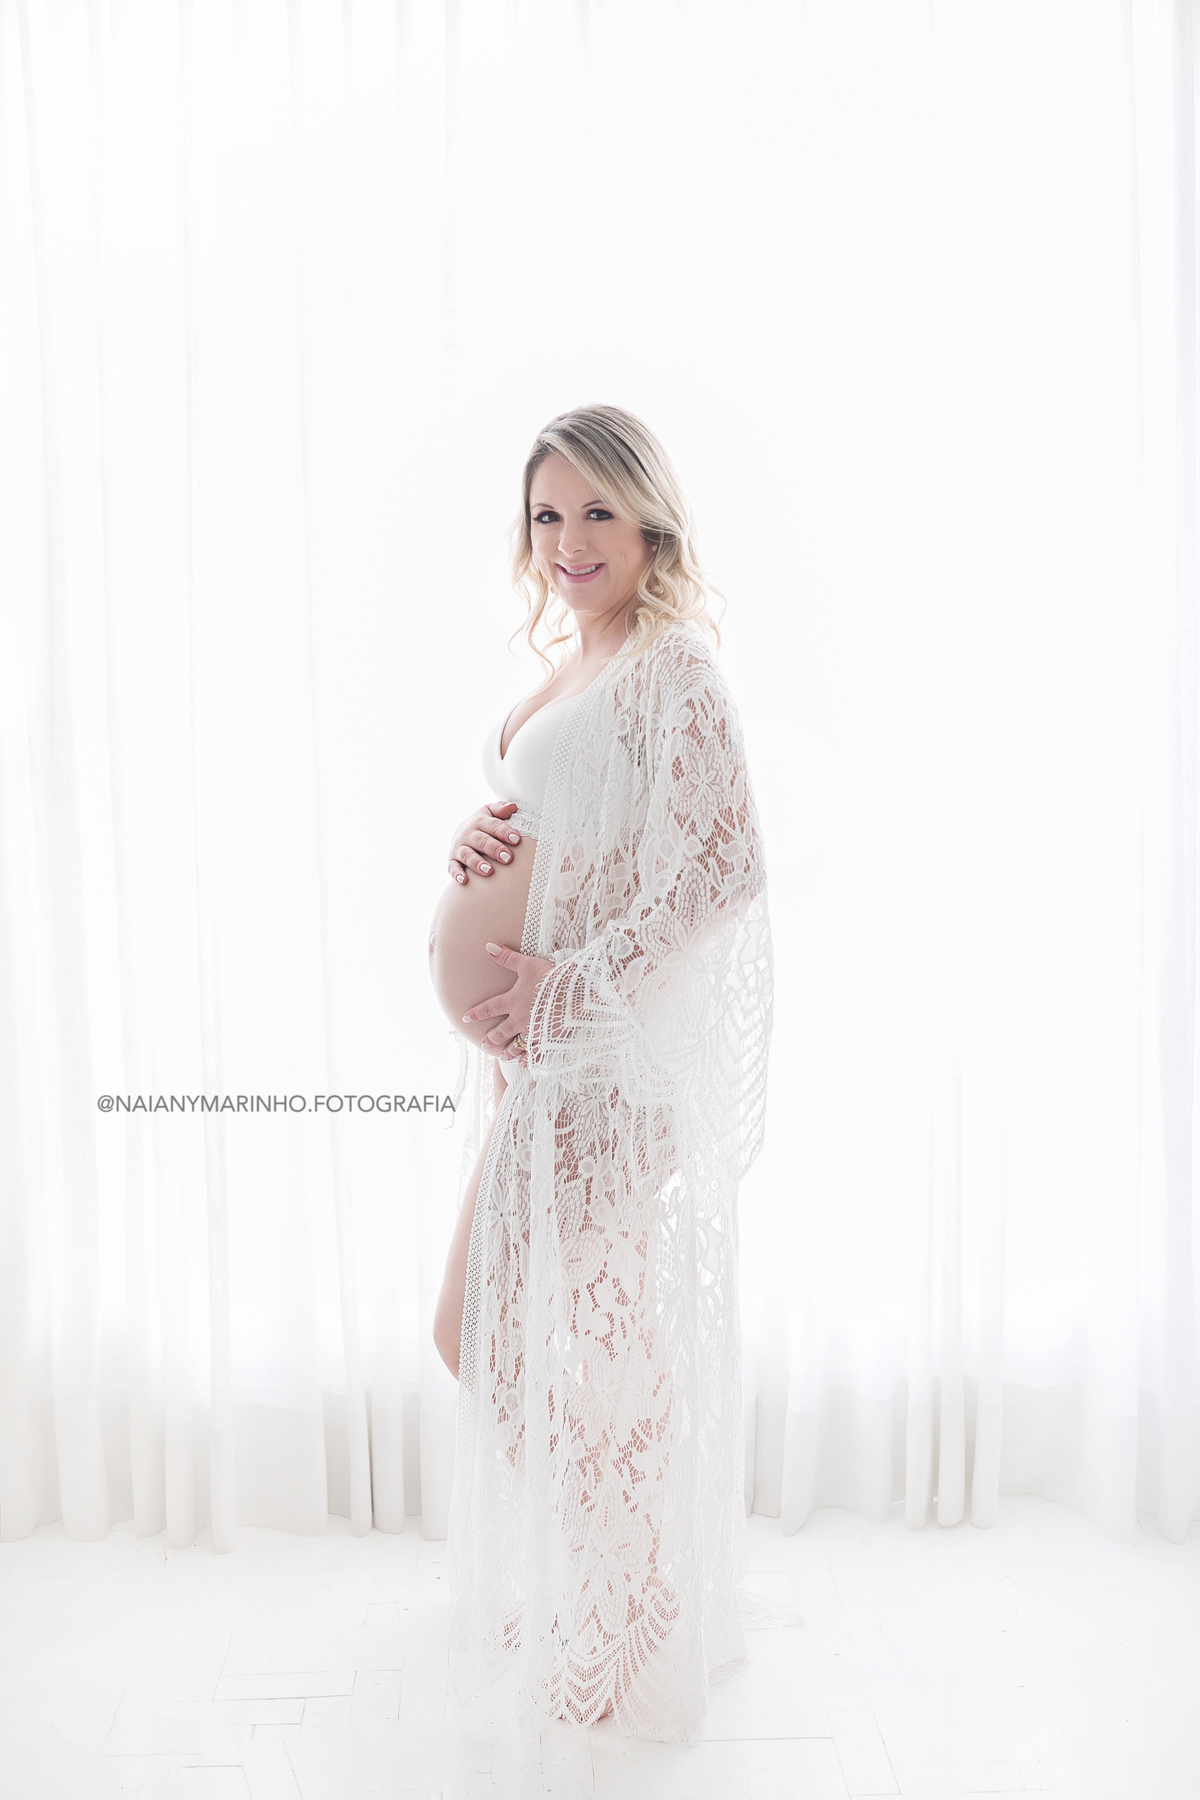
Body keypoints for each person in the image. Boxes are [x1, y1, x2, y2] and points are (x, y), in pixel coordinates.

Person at [427, 404, 773, 1745]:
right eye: (547, 515)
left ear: (648, 523)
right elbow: (576, 828)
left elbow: (723, 865)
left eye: (596, 513)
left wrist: (570, 986)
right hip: (548, 1072)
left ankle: (636, 1601)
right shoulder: (576, 660)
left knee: (499, 1332)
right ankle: (628, 1584)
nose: (569, 540)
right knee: (559, 1337)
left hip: (608, 1067)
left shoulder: (673, 661)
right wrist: (480, 843)